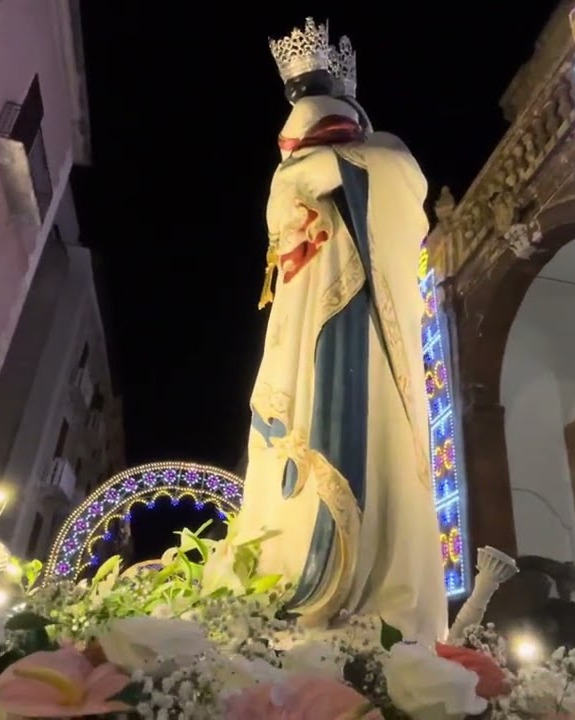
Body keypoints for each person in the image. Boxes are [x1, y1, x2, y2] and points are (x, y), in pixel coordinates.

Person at [234, 19, 447, 643]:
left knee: (353, 426)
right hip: (301, 320)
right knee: (288, 423)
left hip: (357, 314)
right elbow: (285, 214)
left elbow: (392, 185)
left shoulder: (383, 156)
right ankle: (282, 570)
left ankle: (353, 588)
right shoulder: (296, 170)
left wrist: (330, 167)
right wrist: (299, 181)